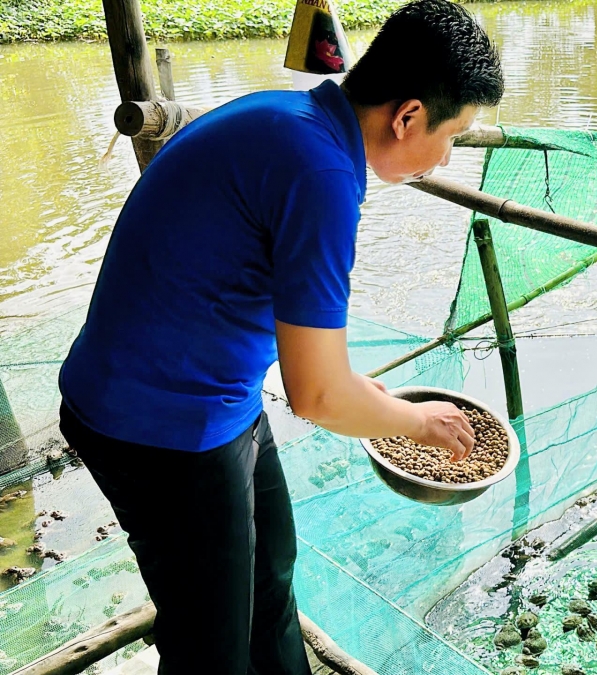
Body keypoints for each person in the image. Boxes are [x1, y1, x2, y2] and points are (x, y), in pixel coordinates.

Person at [56, 1, 503, 672]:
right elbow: (318, 396)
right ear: (408, 115)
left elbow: (258, 311)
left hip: (209, 396)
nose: (446, 155)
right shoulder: (319, 174)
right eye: (455, 133)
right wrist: (411, 420)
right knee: (211, 644)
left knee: (271, 577)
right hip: (159, 427)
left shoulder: (293, 118)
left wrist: (360, 393)